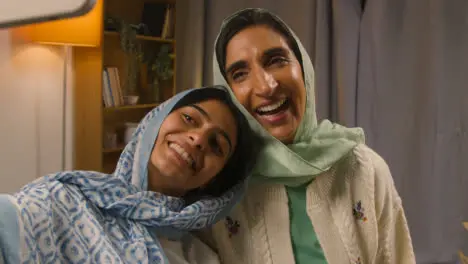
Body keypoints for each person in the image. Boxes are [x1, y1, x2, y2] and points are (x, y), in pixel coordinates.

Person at [206, 8, 416, 264]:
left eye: (276, 60)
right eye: (240, 74)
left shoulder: (365, 170)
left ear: (304, 68)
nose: (266, 86)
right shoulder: (219, 191)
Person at [0, 85, 257, 264]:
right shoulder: (62, 201)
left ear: (214, 180)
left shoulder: (200, 257)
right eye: (189, 118)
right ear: (155, 121)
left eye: (216, 146)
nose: (198, 138)